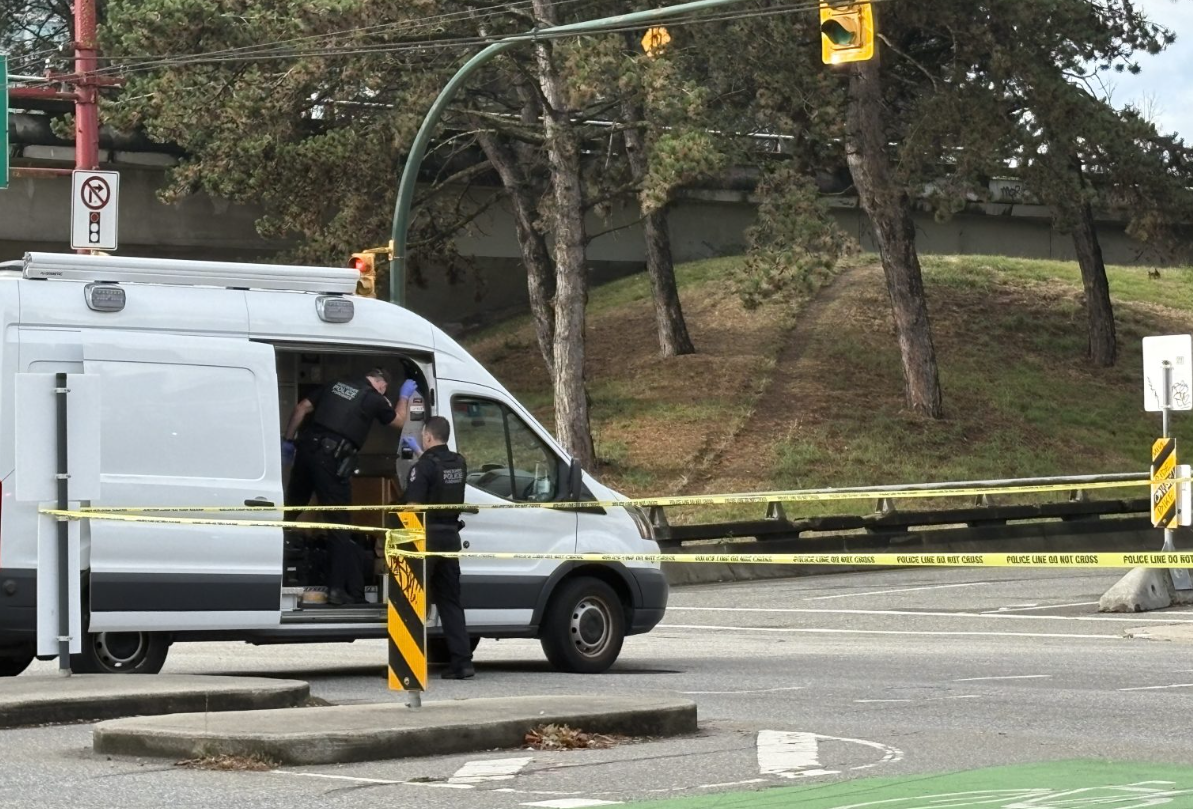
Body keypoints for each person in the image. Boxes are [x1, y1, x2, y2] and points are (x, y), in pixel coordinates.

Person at [283, 368, 416, 605]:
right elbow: (399, 421)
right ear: (381, 384)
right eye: (385, 389)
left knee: (290, 511)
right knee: (339, 526)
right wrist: (404, 396)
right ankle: (336, 590)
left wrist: (288, 440)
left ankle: (277, 571)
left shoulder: (335, 383)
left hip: (306, 451)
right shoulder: (373, 398)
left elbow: (301, 407)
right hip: (331, 459)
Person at [403, 415, 474, 680]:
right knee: (450, 601)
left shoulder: (423, 468)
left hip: (426, 538)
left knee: (413, 598)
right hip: (449, 538)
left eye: (423, 436)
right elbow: (441, 476)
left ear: (429, 436)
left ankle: (408, 662)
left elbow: (414, 506)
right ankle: (463, 662)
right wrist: (423, 458)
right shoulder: (459, 462)